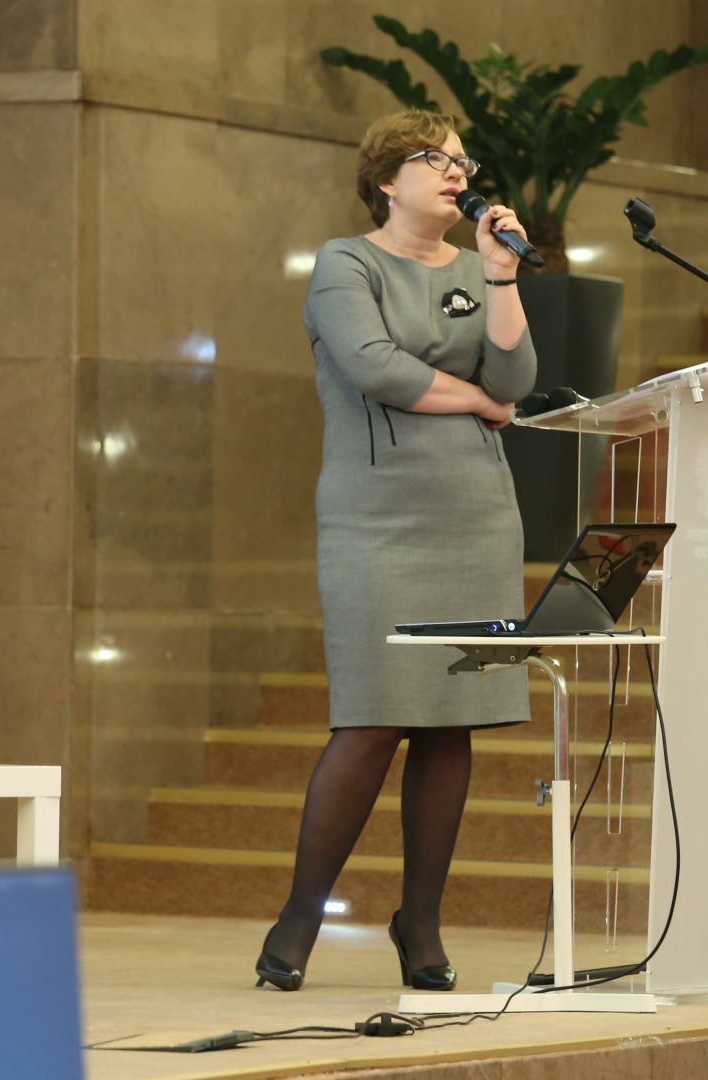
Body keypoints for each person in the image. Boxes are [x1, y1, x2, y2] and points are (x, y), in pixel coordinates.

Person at [254, 110, 537, 993]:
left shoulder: (479, 266)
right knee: (370, 719)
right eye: (434, 160)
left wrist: (501, 276)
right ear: (386, 179)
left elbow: (518, 379)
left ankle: (421, 922)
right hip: (375, 522)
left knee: (450, 724)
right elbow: (377, 367)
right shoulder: (347, 262)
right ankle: (302, 913)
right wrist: (479, 402)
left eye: (462, 163)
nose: (457, 174)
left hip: (476, 518)